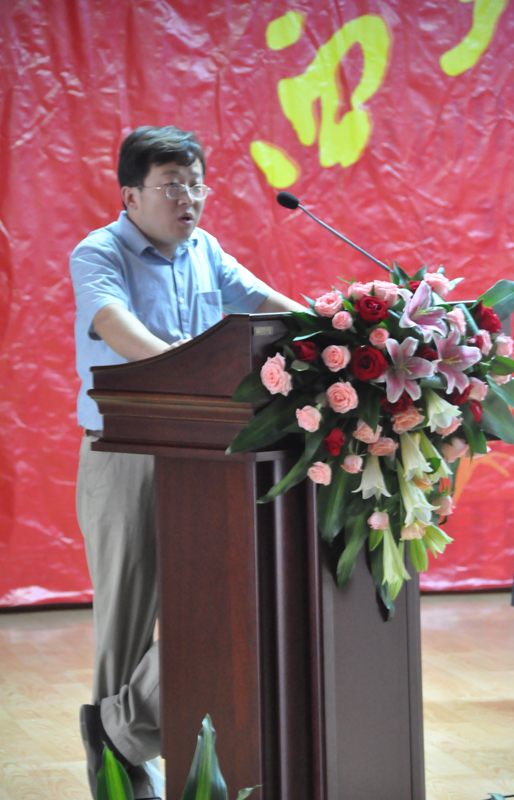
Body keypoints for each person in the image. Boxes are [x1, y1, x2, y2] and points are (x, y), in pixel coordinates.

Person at [70, 125, 305, 800]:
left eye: (197, 185)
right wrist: (185, 378)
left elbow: (272, 306)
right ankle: (119, 769)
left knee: (216, 598)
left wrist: (337, 334)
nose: (190, 199)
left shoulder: (208, 252)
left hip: (204, 452)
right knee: (127, 611)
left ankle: (117, 730)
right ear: (131, 196)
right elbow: (117, 328)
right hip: (126, 450)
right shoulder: (99, 252)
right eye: (173, 185)